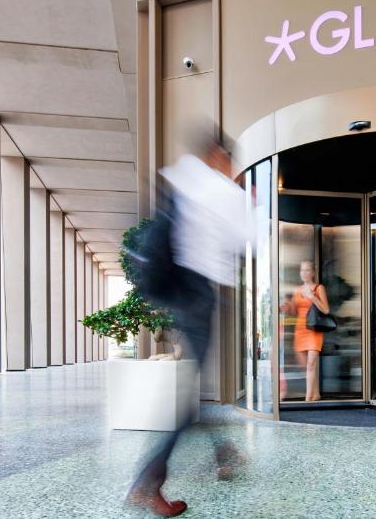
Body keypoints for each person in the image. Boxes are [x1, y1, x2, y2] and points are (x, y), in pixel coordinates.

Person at [127, 132, 250, 518]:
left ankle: (223, 451)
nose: (233, 170)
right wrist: (249, 201)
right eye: (231, 162)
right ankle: (147, 483)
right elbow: (248, 239)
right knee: (189, 400)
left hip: (184, 293)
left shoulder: (187, 180)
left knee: (196, 389)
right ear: (219, 156)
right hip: (198, 293)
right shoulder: (218, 191)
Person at [287, 261, 330, 402]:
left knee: (311, 364)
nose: (304, 273)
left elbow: (326, 310)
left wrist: (312, 297)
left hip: (314, 329)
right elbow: (293, 311)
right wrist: (285, 307)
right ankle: (315, 394)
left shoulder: (319, 288)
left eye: (307, 270)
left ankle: (307, 400)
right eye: (301, 270)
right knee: (306, 366)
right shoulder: (297, 290)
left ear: (312, 272)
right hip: (300, 330)